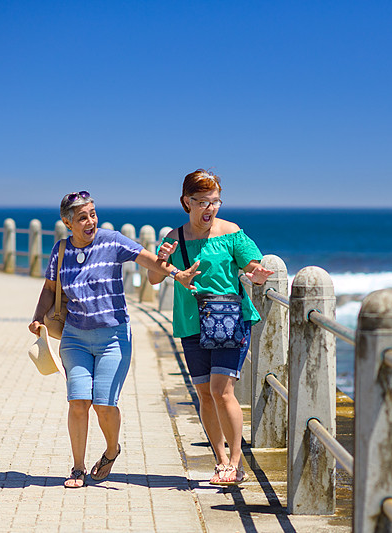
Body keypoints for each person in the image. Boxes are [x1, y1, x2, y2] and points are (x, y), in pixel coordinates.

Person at [29, 191, 199, 488]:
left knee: (104, 404)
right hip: (74, 337)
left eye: (93, 214)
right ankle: (78, 468)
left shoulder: (112, 240)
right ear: (68, 223)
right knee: (78, 401)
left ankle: (111, 450)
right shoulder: (60, 250)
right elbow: (49, 288)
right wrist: (36, 316)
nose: (90, 221)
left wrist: (176, 273)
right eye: (82, 217)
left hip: (113, 337)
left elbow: (148, 260)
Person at [148, 169, 274, 485]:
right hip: (191, 323)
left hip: (229, 319)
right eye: (202, 202)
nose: (209, 209)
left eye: (215, 201)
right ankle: (220, 461)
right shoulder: (173, 239)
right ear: (186, 202)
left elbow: (252, 266)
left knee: (222, 390)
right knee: (205, 394)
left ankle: (236, 462)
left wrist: (258, 274)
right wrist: (164, 262)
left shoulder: (231, 233)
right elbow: (152, 279)